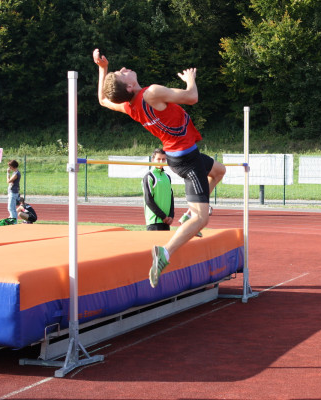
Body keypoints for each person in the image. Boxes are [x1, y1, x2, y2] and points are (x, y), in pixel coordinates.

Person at [93, 48, 226, 288]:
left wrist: (103, 68)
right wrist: (190, 79)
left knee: (219, 171)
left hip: (180, 155)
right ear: (129, 86)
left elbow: (103, 100)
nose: (124, 69)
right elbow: (192, 97)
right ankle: (165, 253)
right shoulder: (151, 92)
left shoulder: (130, 106)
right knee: (202, 219)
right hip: (187, 160)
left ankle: (188, 215)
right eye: (122, 73)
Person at [143, 148, 175, 231]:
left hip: (166, 221)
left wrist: (171, 215)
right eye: (158, 159)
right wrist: (163, 216)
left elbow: (171, 197)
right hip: (154, 221)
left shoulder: (167, 177)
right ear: (153, 160)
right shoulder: (149, 176)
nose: (161, 161)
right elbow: (148, 200)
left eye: (163, 159)